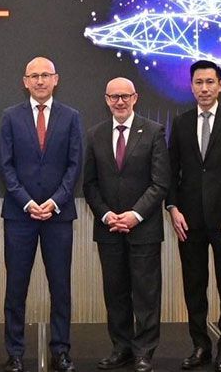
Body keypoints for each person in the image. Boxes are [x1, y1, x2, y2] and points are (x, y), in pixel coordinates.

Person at [166, 60, 221, 372]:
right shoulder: (181, 122)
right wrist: (172, 208)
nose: (204, 88)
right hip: (188, 219)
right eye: (198, 83)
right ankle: (200, 345)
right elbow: (170, 170)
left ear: (220, 85)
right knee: (194, 285)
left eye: (210, 82)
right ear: (191, 87)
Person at [0, 56, 83, 372]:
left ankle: (61, 350)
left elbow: (75, 165)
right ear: (25, 82)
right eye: (33, 76)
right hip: (19, 216)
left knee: (60, 287)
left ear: (56, 79)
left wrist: (56, 201)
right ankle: (15, 352)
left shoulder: (71, 117)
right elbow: (5, 165)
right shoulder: (10, 116)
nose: (39, 81)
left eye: (45, 75)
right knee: (15, 287)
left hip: (57, 217)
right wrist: (25, 201)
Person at [83, 78, 169, 372]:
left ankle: (144, 351)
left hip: (143, 228)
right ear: (106, 99)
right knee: (115, 293)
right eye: (114, 97)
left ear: (135, 97)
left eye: (125, 96)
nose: (119, 101)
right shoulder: (94, 134)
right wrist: (107, 215)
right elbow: (90, 184)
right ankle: (121, 348)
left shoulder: (154, 131)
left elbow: (160, 183)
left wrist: (135, 214)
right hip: (108, 228)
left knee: (146, 293)